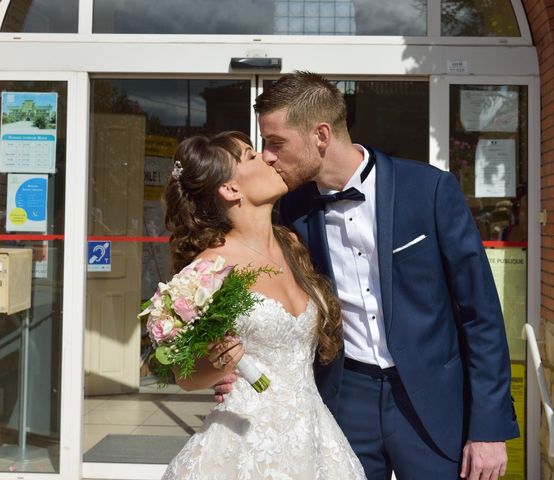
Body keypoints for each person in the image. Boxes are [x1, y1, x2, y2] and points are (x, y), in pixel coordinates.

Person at [216, 71, 519, 479]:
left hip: (432, 402)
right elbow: (263, 290)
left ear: (321, 135)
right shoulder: (290, 210)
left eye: (276, 143)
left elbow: (480, 314)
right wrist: (232, 367)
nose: (267, 156)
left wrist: (488, 428)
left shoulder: (429, 190)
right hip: (343, 398)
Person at [160, 131, 366, 479]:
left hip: (316, 436)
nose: (269, 159)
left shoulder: (293, 247)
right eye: (252, 156)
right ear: (230, 189)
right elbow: (185, 376)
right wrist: (218, 365)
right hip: (248, 442)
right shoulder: (209, 270)